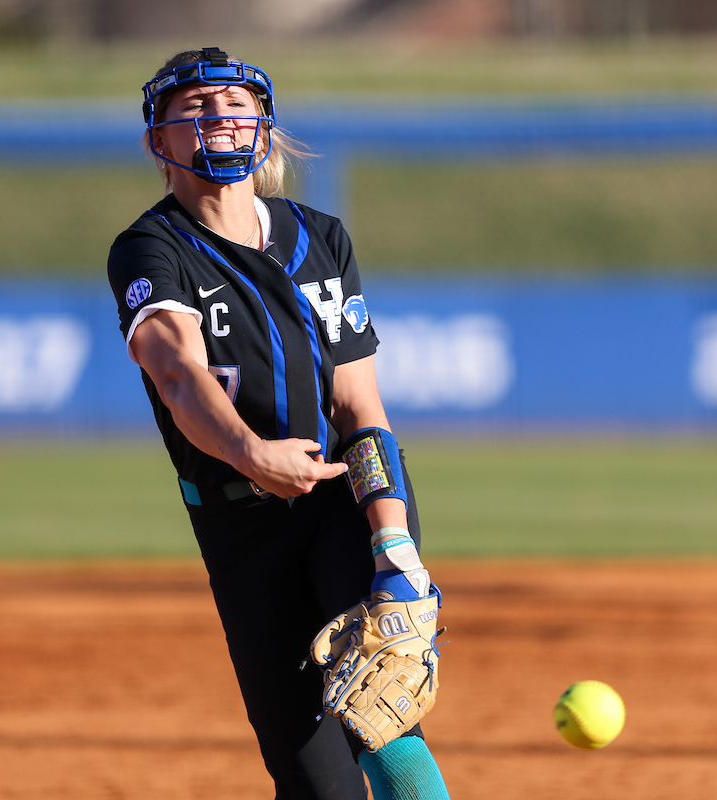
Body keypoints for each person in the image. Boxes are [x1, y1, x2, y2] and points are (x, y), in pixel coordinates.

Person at [107, 47, 450, 800]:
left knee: (384, 718)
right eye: (195, 107)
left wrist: (392, 543)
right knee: (313, 781)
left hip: (340, 504)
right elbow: (177, 374)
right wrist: (251, 453)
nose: (219, 120)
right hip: (240, 531)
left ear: (263, 124)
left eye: (234, 104)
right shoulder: (151, 248)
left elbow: (361, 411)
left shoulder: (319, 237)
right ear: (156, 141)